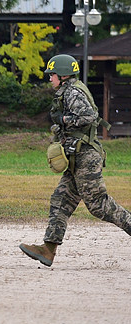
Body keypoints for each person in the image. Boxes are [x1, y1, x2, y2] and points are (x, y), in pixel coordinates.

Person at [20, 54, 131, 266]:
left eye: (52, 74)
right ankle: (48, 249)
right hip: (76, 156)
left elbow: (89, 116)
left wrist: (64, 120)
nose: (49, 78)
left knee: (99, 205)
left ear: (63, 75)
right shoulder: (68, 91)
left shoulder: (72, 91)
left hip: (86, 156)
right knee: (61, 200)